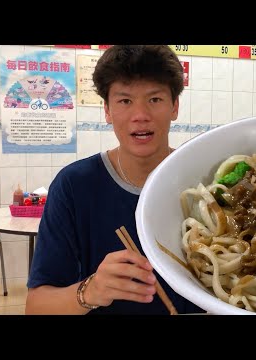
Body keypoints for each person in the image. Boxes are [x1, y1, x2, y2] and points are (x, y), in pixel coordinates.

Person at [25, 45, 205, 315]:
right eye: (125, 101)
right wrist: (92, 290)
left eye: (154, 99)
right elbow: (37, 307)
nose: (140, 115)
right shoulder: (74, 186)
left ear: (175, 107)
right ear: (107, 110)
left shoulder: (202, 180)